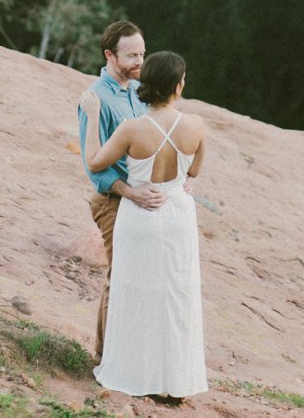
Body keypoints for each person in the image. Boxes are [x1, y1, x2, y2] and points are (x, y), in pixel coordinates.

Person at [80, 50, 208, 403]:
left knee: (135, 293)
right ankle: (175, 383)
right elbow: (193, 172)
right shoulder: (196, 125)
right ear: (178, 86)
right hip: (178, 214)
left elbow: (94, 161)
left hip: (139, 214)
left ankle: (132, 373)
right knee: (177, 295)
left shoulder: (132, 129)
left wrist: (93, 116)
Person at [78, 21, 167, 364]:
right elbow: (94, 167)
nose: (139, 62)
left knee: (142, 277)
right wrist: (130, 193)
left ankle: (130, 355)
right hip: (114, 201)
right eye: (131, 55)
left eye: (142, 54)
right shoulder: (95, 98)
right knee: (120, 277)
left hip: (141, 198)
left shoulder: (139, 92)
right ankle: (103, 358)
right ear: (109, 55)